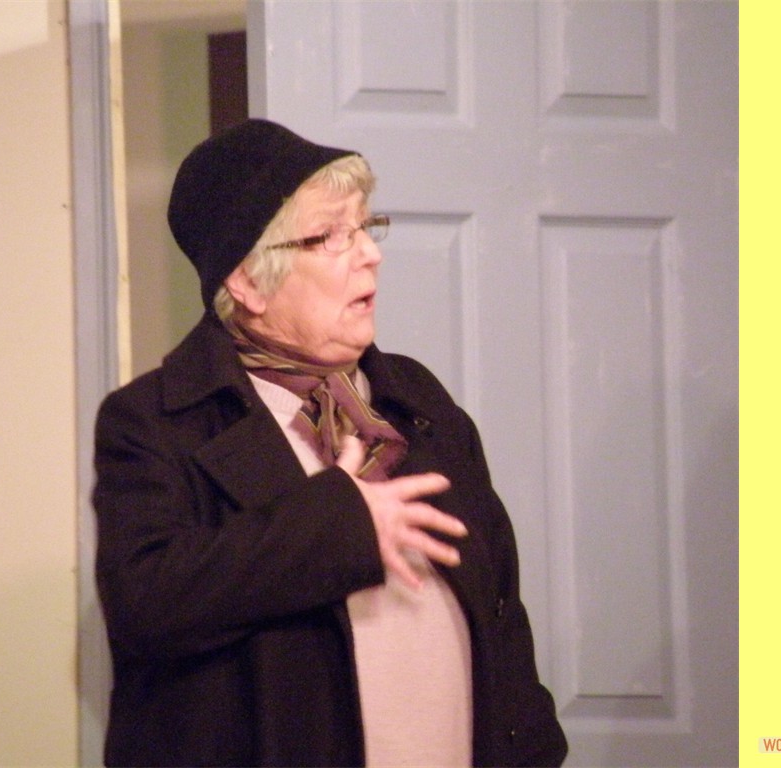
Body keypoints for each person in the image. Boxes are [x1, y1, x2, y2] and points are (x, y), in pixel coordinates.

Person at [93, 118, 567, 767]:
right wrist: (337, 524)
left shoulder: (416, 398)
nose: (370, 253)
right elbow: (146, 605)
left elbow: (502, 613)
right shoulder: (155, 420)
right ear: (248, 280)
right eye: (331, 236)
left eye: (366, 227)